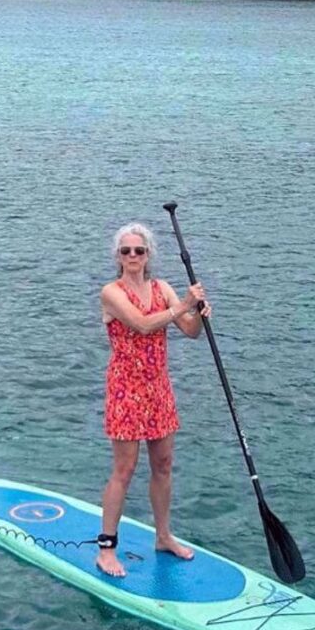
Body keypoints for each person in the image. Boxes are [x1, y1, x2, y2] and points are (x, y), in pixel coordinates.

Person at [94, 222, 208, 578]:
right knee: (124, 470)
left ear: (148, 256)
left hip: (158, 387)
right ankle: (107, 549)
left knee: (163, 465)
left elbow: (189, 331)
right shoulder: (111, 293)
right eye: (126, 251)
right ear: (118, 256)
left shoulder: (162, 288)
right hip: (126, 389)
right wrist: (183, 306)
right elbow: (142, 325)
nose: (132, 257)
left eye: (139, 251)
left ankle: (163, 536)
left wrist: (200, 313)